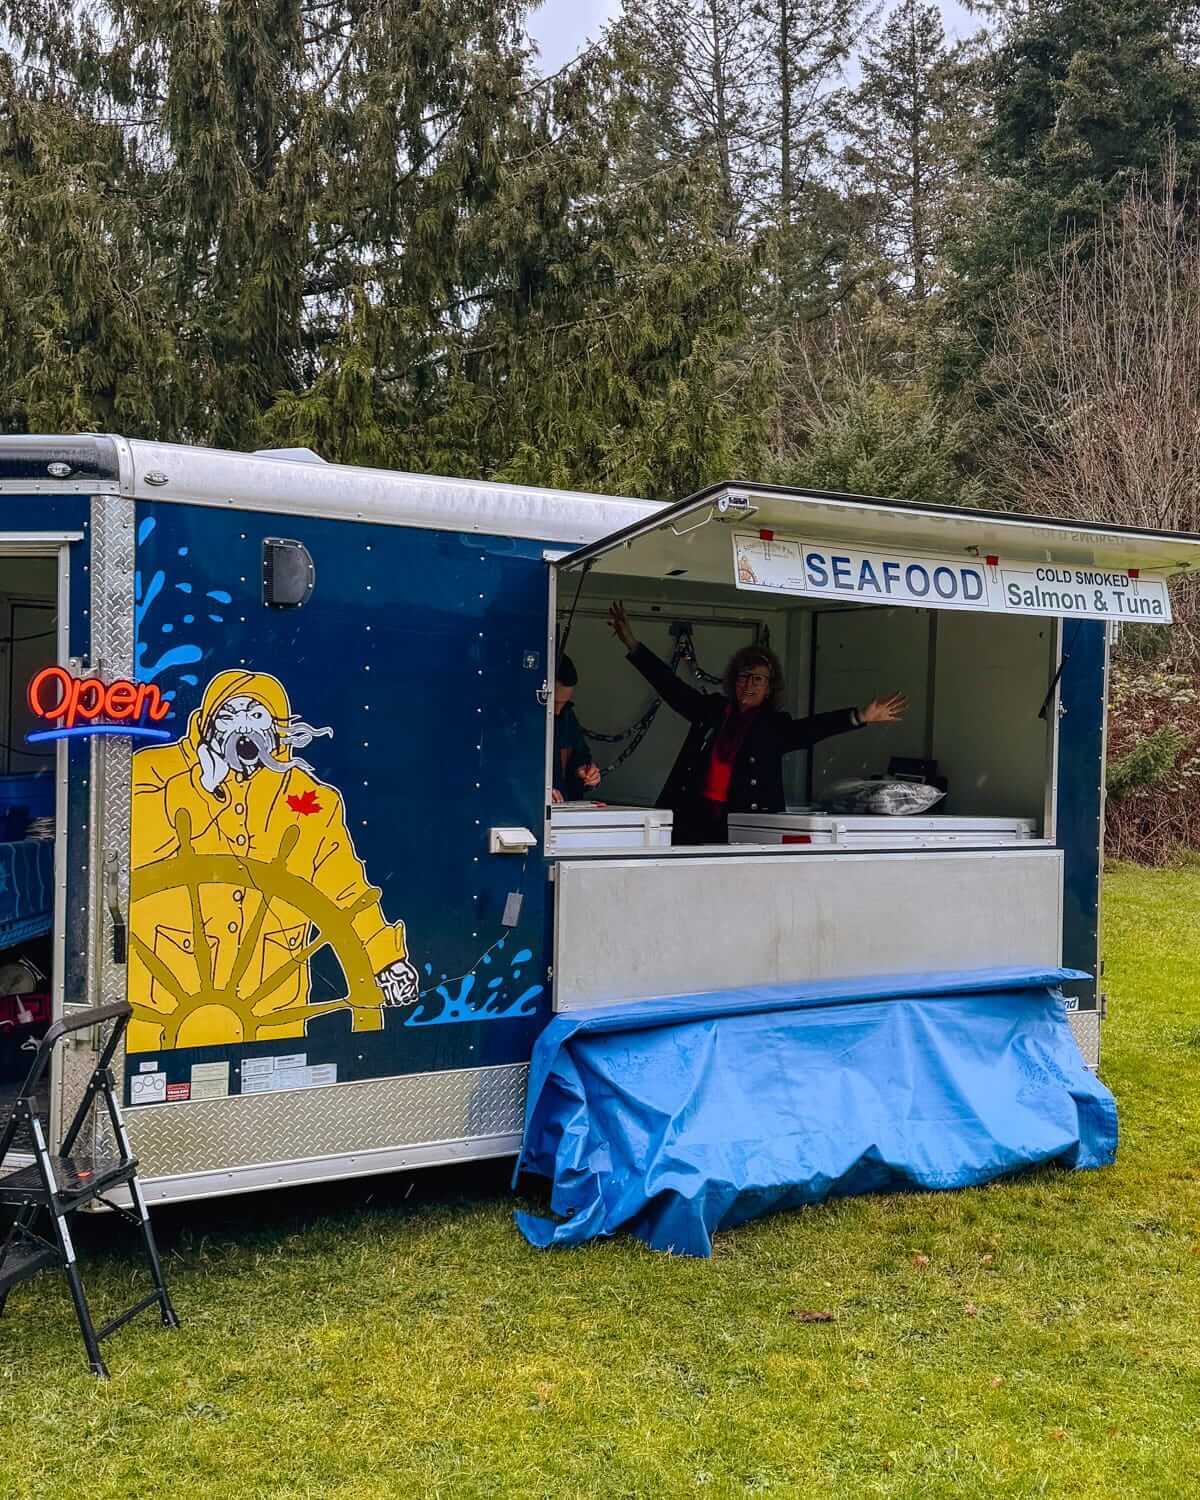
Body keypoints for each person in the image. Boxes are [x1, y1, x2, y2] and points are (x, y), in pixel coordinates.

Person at [607, 602, 907, 845]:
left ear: (769, 687)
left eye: (758, 679)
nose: (749, 684)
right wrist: (632, 644)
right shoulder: (712, 710)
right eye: (743, 676)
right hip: (695, 819)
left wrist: (860, 716)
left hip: (744, 824)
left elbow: (812, 729)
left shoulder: (774, 726)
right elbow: (671, 688)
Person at [551, 654, 602, 804]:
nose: (557, 712)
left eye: (564, 703)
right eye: (554, 703)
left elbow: (580, 755)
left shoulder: (566, 716)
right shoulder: (516, 723)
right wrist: (536, 793)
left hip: (563, 809)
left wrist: (585, 772)